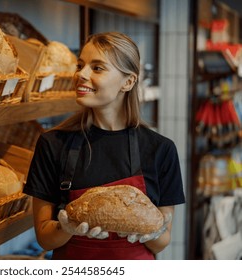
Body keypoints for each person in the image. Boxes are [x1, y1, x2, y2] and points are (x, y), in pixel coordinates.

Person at [23, 32, 185, 260]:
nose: (81, 74)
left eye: (97, 68)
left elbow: (161, 242)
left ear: (128, 82)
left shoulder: (161, 150)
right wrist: (67, 228)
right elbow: (44, 238)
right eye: (80, 65)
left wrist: (148, 231)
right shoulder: (52, 144)